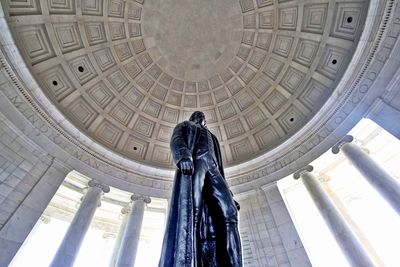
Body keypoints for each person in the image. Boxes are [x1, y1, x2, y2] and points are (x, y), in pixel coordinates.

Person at [159, 111, 242, 267]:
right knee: (193, 214)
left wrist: (230, 195)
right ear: (192, 118)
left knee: (230, 212)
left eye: (202, 116)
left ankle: (233, 263)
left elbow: (221, 169)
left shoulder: (213, 138)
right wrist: (183, 156)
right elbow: (176, 139)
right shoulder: (185, 125)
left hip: (213, 167)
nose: (200, 116)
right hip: (196, 163)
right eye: (197, 115)